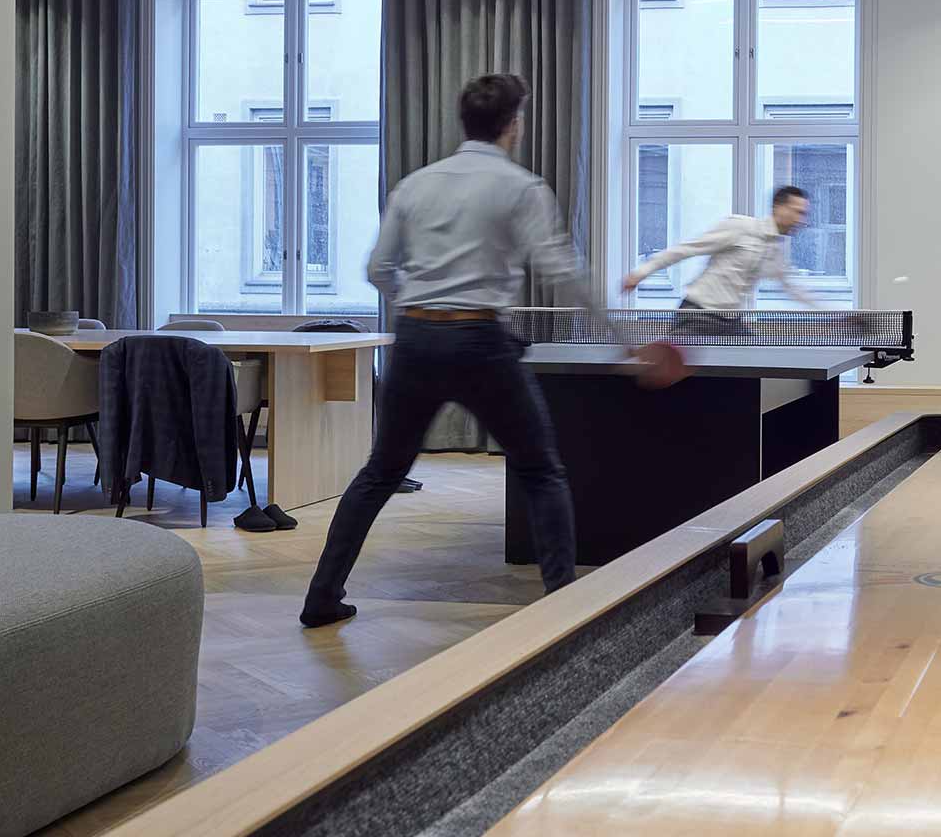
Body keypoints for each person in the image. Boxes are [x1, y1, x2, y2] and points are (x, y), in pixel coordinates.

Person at [302, 73, 592, 628]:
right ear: (513, 124)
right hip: (480, 340)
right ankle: (562, 604)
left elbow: (377, 269)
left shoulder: (415, 186)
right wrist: (625, 338)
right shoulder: (521, 187)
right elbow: (562, 270)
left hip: (415, 338)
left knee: (381, 472)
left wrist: (418, 304)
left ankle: (321, 597)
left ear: (466, 121)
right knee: (541, 472)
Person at [620, 186, 820, 334]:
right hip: (697, 316)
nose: (801, 220)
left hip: (731, 322)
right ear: (778, 207)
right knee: (679, 375)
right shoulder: (741, 227)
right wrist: (641, 272)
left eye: (804, 214)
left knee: (760, 365)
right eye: (797, 212)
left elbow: (792, 289)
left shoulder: (775, 252)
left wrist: (831, 314)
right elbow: (688, 249)